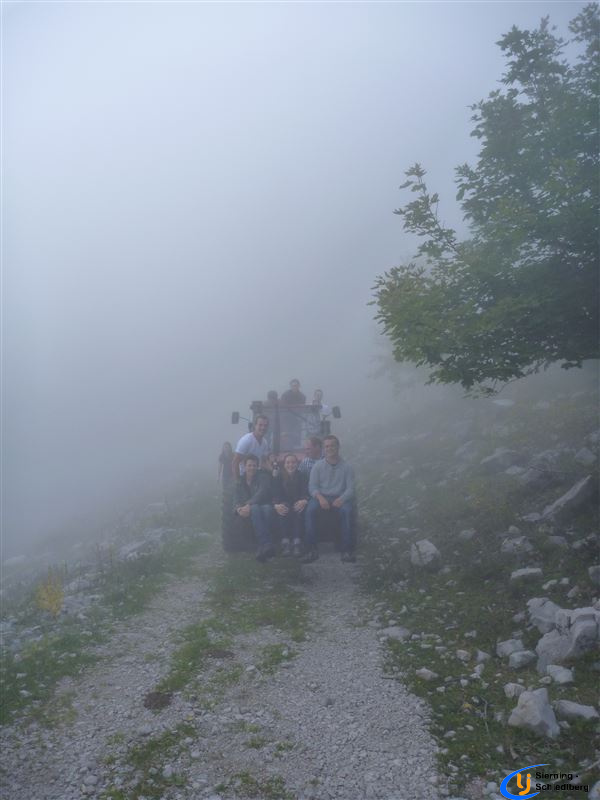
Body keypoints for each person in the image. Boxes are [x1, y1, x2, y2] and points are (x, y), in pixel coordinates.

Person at [304, 435, 356, 563]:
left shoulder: (347, 467)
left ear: (338, 447)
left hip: (340, 497)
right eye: (327, 446)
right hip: (321, 496)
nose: (329, 448)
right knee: (310, 511)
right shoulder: (318, 466)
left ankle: (346, 550)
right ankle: (311, 549)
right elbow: (312, 487)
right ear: (323, 449)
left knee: (347, 511)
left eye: (332, 445)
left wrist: (342, 499)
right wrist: (320, 498)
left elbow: (350, 489)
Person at [234, 454, 275, 562]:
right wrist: (239, 509)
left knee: (262, 509)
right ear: (244, 466)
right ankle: (266, 545)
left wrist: (248, 504)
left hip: (264, 504)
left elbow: (261, 493)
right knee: (255, 508)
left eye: (254, 465)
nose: (252, 468)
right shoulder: (240, 481)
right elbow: (236, 498)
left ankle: (262, 546)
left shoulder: (263, 477)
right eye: (249, 465)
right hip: (248, 508)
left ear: (257, 466)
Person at [272, 453, 309, 557]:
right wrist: (276, 505)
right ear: (284, 465)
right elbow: (275, 493)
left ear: (297, 464)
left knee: (298, 509)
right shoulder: (279, 477)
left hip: (298, 501)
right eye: (288, 462)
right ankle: (286, 542)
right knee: (283, 510)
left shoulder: (302, 476)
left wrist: (304, 500)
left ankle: (297, 542)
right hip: (284, 502)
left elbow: (305, 491)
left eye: (293, 462)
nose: (290, 465)